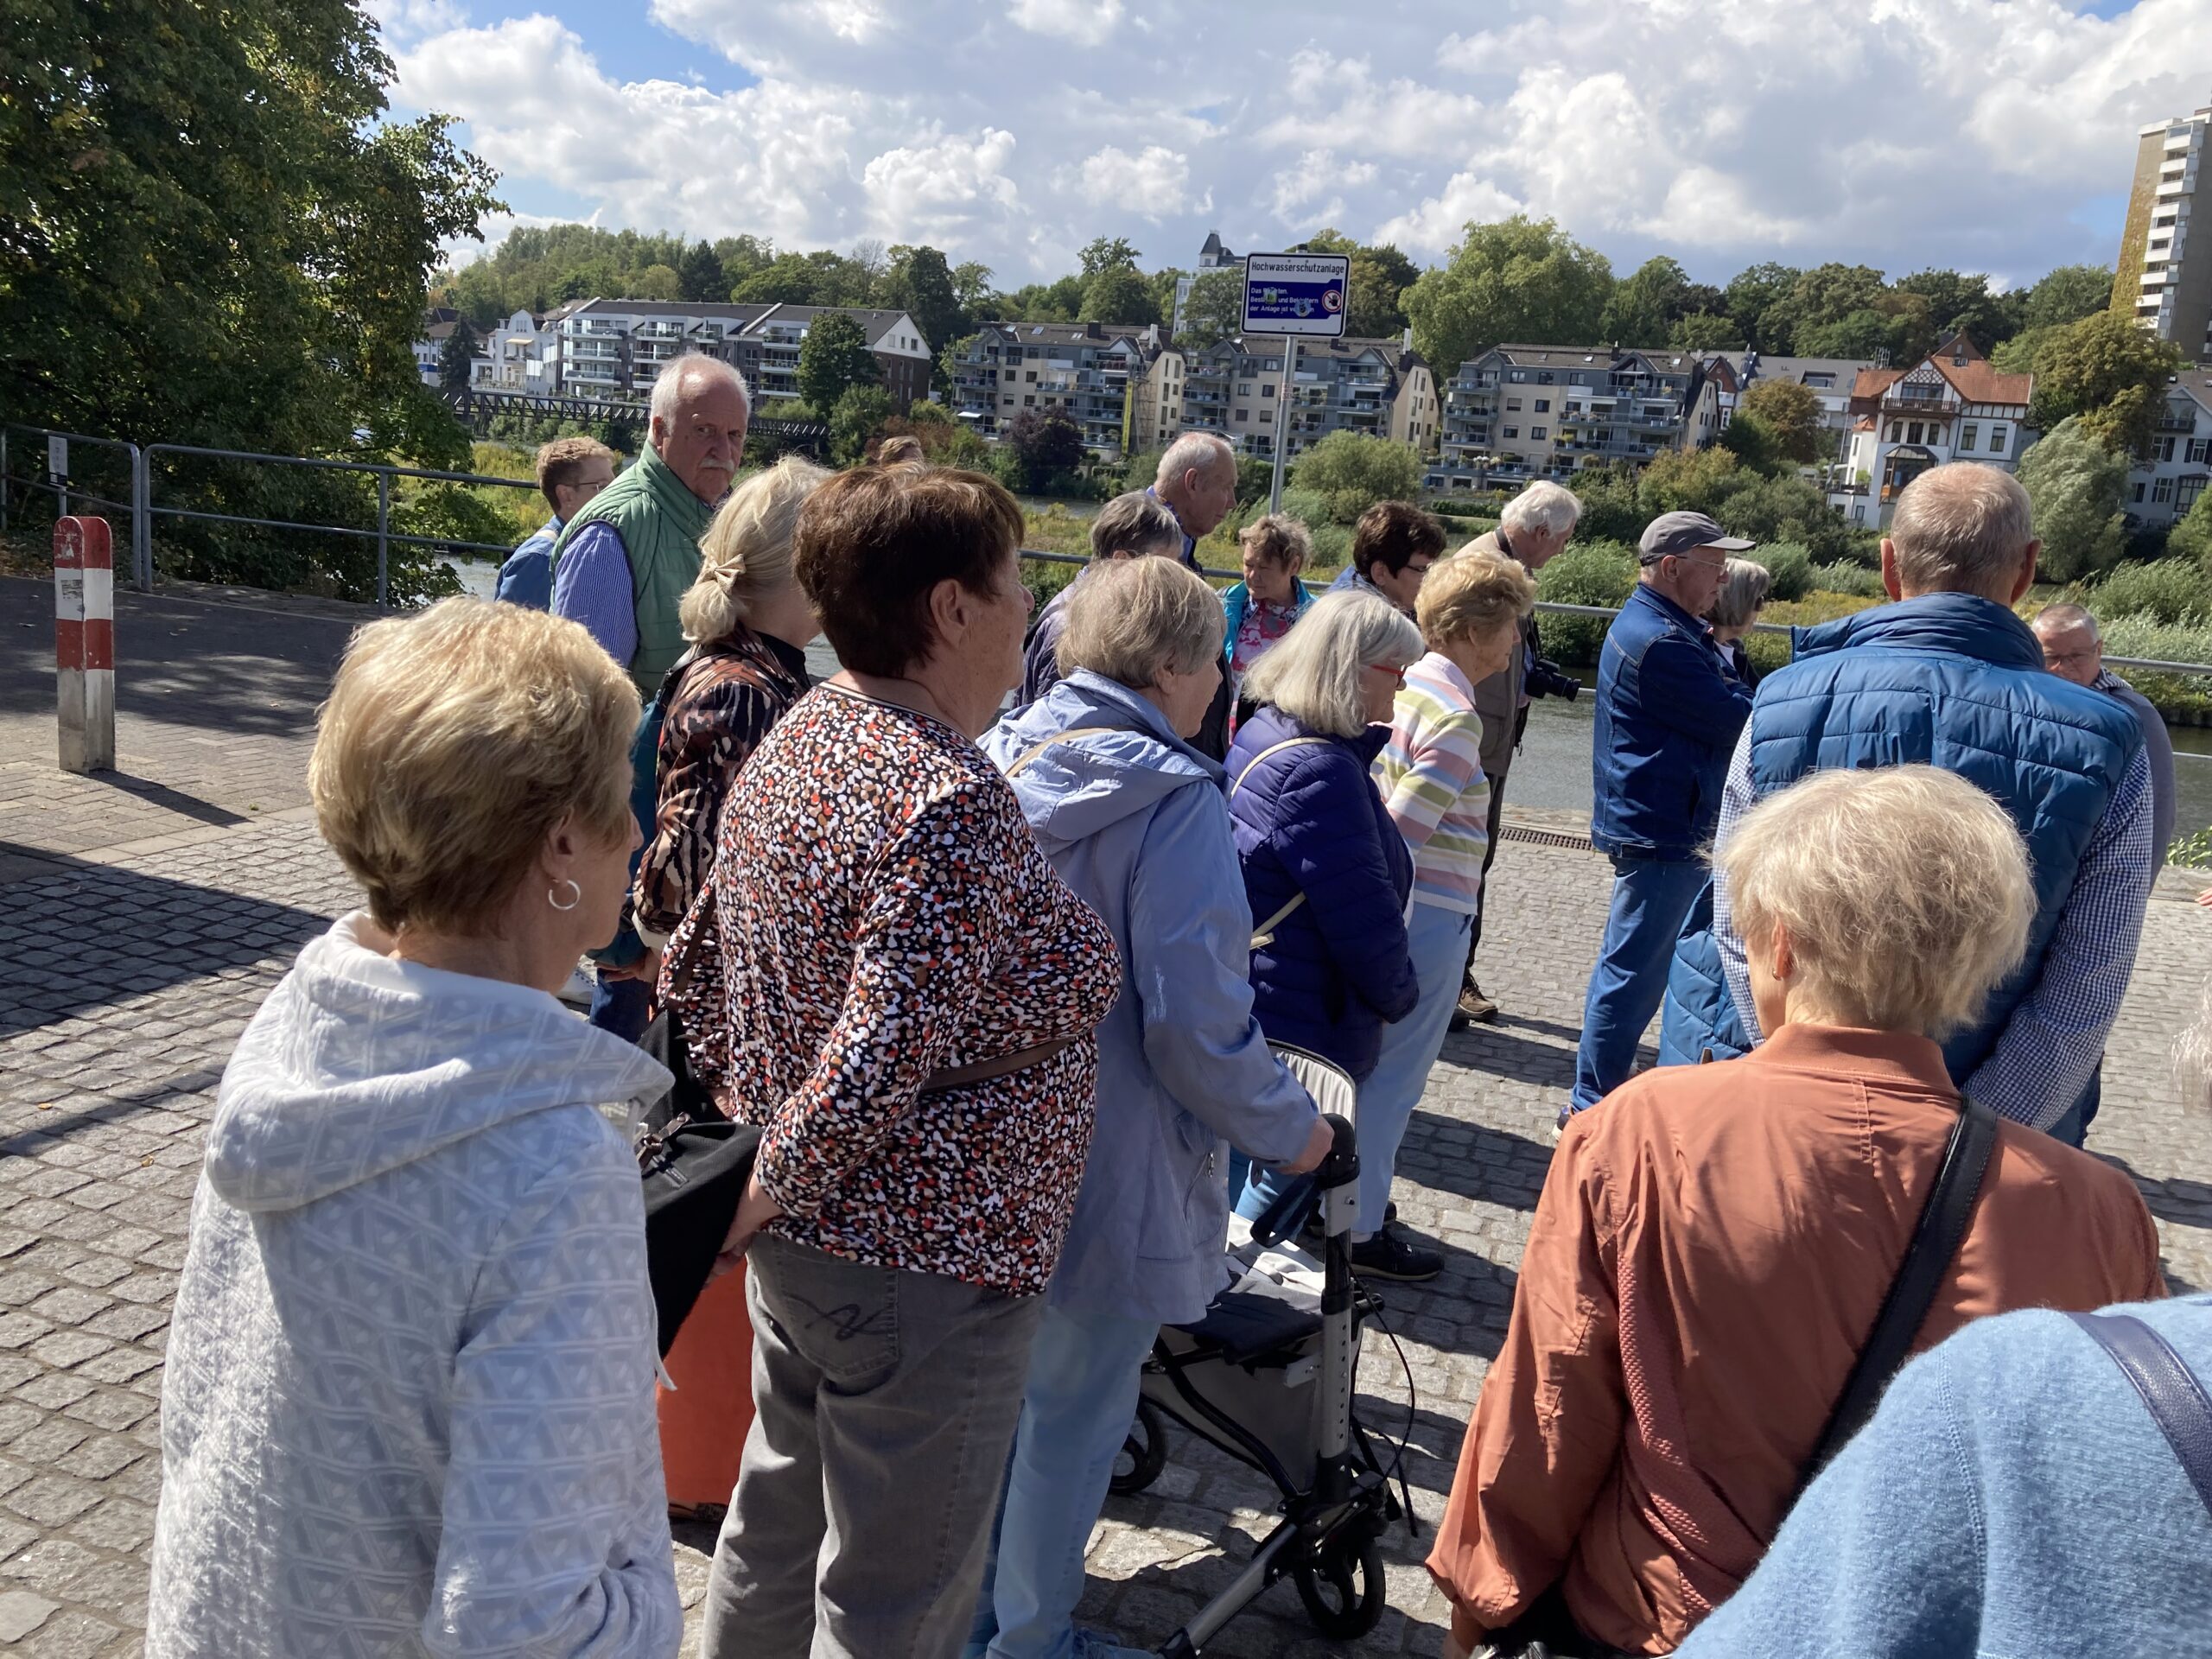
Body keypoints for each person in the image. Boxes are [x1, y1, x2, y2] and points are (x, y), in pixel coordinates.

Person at [1430, 765, 2165, 1659]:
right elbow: (2108, 1491)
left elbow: (1552, 1405)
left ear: (1780, 944)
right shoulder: (2096, 1212)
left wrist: (1481, 1599)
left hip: (1666, 1622)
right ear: (1972, 963)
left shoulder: (1643, 1131)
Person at [148, 599, 682, 1657]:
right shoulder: (550, 1166)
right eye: (622, 797)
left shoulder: (299, 1034)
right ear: (560, 840)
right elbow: (526, 1633)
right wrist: (649, 1605)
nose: (638, 832)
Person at [664, 463, 1122, 1659]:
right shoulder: (945, 796)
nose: (1032, 608)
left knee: (774, 1531)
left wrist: (753, 1159)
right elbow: (875, 1060)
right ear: (952, 609)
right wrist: (758, 1190)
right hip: (926, 1266)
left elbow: (691, 968)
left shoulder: (803, 729)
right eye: (1017, 581)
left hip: (813, 1249)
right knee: (894, 1605)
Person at [969, 556, 1332, 1659]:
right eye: (1215, 662)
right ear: (1171, 666)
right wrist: (1296, 1132)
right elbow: (1195, 1025)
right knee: (1071, 1422)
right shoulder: (1173, 801)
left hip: (984, 1158)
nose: (1223, 684)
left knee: (990, 1415)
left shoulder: (989, 755)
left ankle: (970, 1623)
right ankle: (1029, 1641)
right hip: (1110, 1160)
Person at [1663, 465, 2152, 1147]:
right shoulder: (2109, 741)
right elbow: (2089, 979)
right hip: (1986, 1149)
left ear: (1889, 564)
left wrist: (1794, 1074)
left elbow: (1737, 916)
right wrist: (1963, 1141)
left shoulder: (1783, 700)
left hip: (1779, 1115)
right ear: (2026, 570)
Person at [623, 455, 830, 1527]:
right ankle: (705, 1465)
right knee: (713, 1241)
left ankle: (716, 1457)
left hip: (730, 1011)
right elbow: (679, 874)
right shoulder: (745, 690)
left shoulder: (759, 673)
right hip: (725, 1025)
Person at [1338, 550, 1538, 1283]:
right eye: (1511, 626)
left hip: (1398, 914)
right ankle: (1358, 1229)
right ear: (1476, 629)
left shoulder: (1408, 686)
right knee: (1395, 1078)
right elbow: (1400, 839)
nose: (1516, 642)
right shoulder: (1455, 718)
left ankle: (1348, 1200)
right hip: (1426, 916)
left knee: (1361, 1068)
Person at [1226, 591, 1421, 1238]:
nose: (1403, 686)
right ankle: (1229, 1282)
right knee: (1284, 1179)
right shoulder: (1322, 771)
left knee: (1237, 1164)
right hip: (1306, 1015)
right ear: (1354, 670)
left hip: (1263, 990)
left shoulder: (1268, 729)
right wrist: (1401, 999)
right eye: (1397, 671)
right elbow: (1363, 922)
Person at [1571, 511, 1756, 1117]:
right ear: (1673, 567)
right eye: (1716, 565)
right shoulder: (1662, 642)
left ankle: (1593, 1096)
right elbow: (1737, 719)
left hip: (1665, 820)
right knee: (1634, 973)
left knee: (1633, 965)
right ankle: (1590, 1105)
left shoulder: (1666, 628)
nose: (1724, 579)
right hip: (1664, 829)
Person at [1456, 480, 1582, 1025]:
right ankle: (1452, 979)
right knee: (1464, 861)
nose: (1564, 550)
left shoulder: (1504, 566)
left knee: (1475, 861)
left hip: (1489, 738)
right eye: (1563, 539)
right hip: (1474, 742)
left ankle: (1454, 975)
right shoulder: (1484, 571)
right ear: (1539, 531)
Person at [553, 352, 750, 696]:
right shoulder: (608, 536)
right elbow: (588, 700)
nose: (723, 451)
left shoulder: (737, 519)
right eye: (704, 431)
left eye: (735, 435)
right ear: (660, 431)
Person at [2033, 601, 2176, 862]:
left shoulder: (2136, 714)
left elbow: (2160, 808)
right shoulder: (2028, 704)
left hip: (2102, 865)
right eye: (2051, 658)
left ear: (2098, 650)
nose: (2063, 668)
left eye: (2077, 656)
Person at [1020, 489, 1185, 706]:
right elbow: (1054, 719)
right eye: (1163, 567)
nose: (1174, 579)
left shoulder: (1105, 612)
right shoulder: (1071, 627)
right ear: (1121, 560)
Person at [497, 435, 617, 608]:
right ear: (566, 495)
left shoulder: (588, 544)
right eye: (602, 487)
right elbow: (513, 625)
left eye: (615, 485)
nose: (614, 495)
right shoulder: (538, 561)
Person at [1221, 513, 1318, 692]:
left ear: (1293, 566)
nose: (1253, 576)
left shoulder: (1317, 617)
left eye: (1264, 568)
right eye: (1248, 565)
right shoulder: (1225, 604)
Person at [1329, 499, 1444, 616]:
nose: (1432, 579)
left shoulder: (1395, 602)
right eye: (1422, 569)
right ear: (1380, 573)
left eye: (1433, 568)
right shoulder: (1352, 617)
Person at [1147, 430, 1239, 565]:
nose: (1232, 503)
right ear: (1193, 483)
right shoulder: (1137, 539)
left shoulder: (1172, 536)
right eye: (1226, 488)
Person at [1705, 555, 1773, 690]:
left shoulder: (1735, 649)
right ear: (1735, 602)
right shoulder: (1702, 653)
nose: (1762, 609)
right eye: (1758, 601)